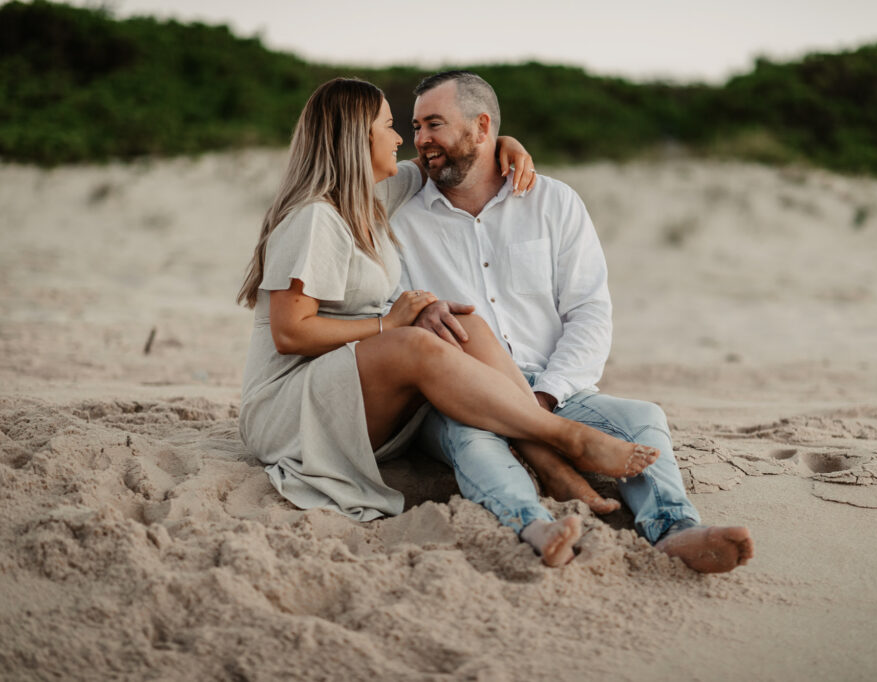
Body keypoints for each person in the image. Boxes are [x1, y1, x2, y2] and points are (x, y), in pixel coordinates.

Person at [236, 77, 660, 566]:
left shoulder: (372, 198)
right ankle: (566, 439)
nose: (403, 139)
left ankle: (547, 462)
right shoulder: (314, 217)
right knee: (418, 341)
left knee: (465, 324)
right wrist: (388, 325)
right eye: (391, 126)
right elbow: (291, 334)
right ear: (355, 138)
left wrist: (500, 142)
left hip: (349, 389)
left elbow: (446, 157)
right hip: (287, 406)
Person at [391, 71, 754, 572]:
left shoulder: (553, 202)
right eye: (416, 128)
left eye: (435, 124)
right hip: (459, 394)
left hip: (557, 386)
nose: (422, 140)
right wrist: (515, 412)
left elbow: (589, 311)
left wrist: (543, 400)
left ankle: (675, 529)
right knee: (472, 442)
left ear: (481, 127)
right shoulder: (402, 218)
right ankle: (534, 525)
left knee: (643, 418)